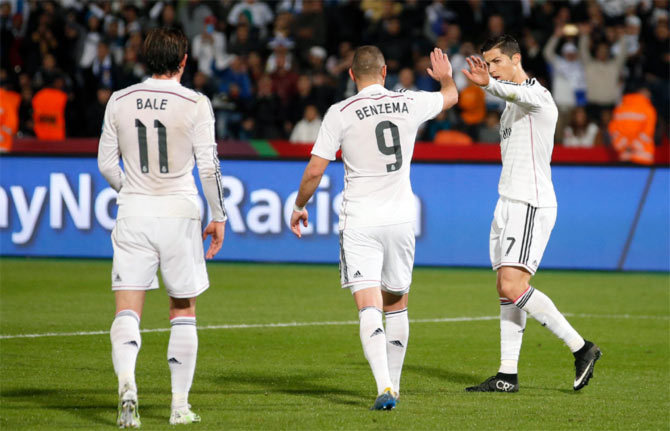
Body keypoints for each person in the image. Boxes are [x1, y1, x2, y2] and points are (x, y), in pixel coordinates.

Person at [290, 46, 458, 409]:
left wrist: (300, 205)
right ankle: (394, 385)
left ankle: (384, 385)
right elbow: (450, 97)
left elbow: (316, 170)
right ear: (384, 73)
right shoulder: (408, 102)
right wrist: (445, 77)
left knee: (369, 306)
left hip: (360, 221)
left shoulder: (340, 112)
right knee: (396, 303)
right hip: (400, 219)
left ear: (352, 76)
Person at [97, 27, 227, 427]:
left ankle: (127, 389)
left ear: (144, 58)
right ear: (184, 61)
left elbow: (105, 164)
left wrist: (132, 189)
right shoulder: (195, 103)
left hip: (134, 212)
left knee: (127, 309)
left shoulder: (119, 100)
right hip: (179, 213)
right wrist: (218, 215)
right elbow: (208, 167)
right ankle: (178, 406)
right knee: (182, 307)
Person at [461, 35, 601, 393]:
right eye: (486, 62)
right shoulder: (510, 106)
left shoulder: (539, 97)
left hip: (530, 202)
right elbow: (509, 96)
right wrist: (492, 84)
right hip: (507, 201)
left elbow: (516, 92)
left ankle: (581, 348)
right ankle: (507, 375)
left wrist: (488, 84)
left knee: (513, 285)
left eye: (495, 61)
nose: (490, 68)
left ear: (515, 59)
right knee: (505, 289)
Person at [608, 85, 657, 165]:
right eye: (648, 92)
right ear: (641, 91)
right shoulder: (648, 108)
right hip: (643, 155)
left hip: (625, 154)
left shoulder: (620, 108)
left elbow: (613, 131)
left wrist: (624, 146)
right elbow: (648, 131)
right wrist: (634, 146)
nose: (650, 95)